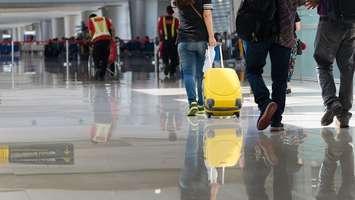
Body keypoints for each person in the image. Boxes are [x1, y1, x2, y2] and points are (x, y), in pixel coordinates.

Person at [241, 0, 306, 131]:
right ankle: (276, 121)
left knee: (252, 71)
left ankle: (265, 103)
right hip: (284, 36)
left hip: (258, 33)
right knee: (280, 79)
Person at [306, 0, 355, 128]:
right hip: (352, 24)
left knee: (323, 64)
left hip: (329, 21)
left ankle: (332, 103)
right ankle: (344, 115)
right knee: (347, 70)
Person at [176, 0, 217, 116]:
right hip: (200, 39)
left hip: (184, 39)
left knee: (188, 74)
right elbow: (207, 14)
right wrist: (211, 36)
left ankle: (192, 103)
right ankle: (200, 104)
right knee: (199, 74)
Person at [87, 13, 113, 81]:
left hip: (97, 40)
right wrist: (111, 39)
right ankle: (102, 75)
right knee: (105, 58)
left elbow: (91, 32)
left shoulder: (91, 20)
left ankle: (97, 67)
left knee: (95, 55)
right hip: (107, 40)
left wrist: (91, 40)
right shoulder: (105, 19)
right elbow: (111, 29)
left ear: (90, 18)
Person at [158, 6, 180, 77]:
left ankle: (167, 65)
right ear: (172, 12)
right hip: (173, 41)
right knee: (174, 57)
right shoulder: (175, 20)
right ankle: (172, 70)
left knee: (165, 55)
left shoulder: (162, 19)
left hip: (165, 41)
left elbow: (159, 30)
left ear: (167, 11)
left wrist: (161, 39)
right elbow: (178, 31)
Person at [287, 12, 302, 94]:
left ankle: (280, 85)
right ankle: (287, 85)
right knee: (291, 63)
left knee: (280, 63)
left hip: (279, 41)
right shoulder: (293, 10)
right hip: (292, 39)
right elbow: (298, 27)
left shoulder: (276, 6)